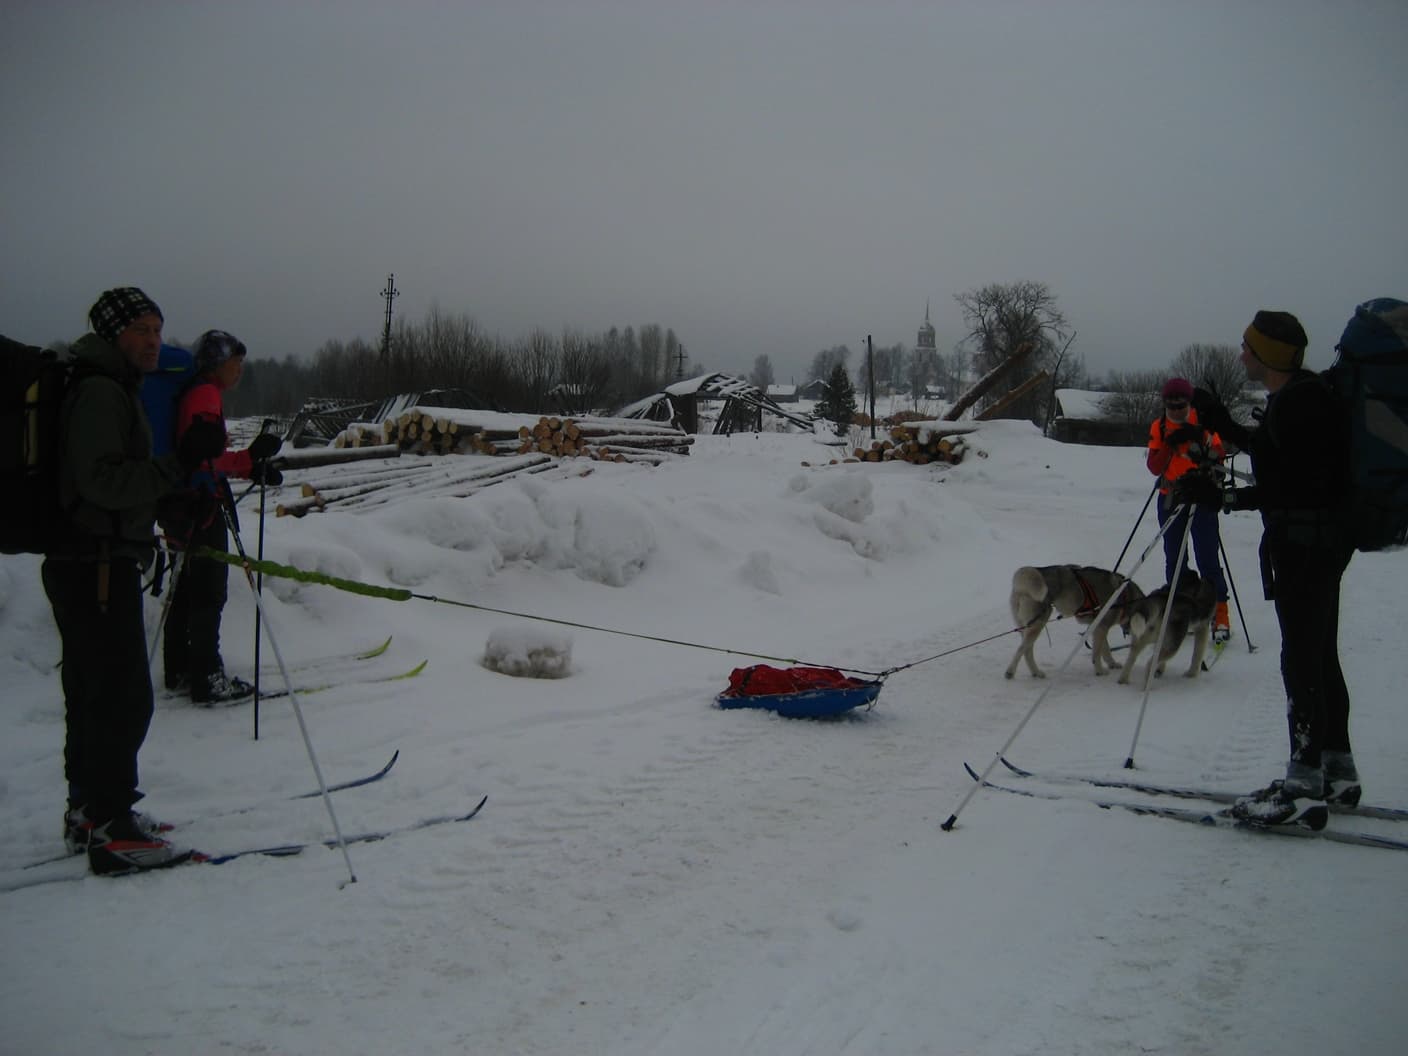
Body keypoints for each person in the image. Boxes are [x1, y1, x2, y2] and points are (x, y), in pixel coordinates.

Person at [44, 288, 223, 874]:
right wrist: (177, 466)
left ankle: (92, 812)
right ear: (114, 333)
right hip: (92, 565)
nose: (152, 341)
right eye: (141, 330)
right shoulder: (100, 390)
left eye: (157, 329)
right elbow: (101, 482)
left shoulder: (109, 384)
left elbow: (114, 486)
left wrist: (171, 509)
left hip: (95, 558)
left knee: (96, 694)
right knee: (120, 697)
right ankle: (113, 828)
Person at [1175, 309, 1355, 831]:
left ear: (1269, 355)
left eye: (1248, 349)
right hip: (1318, 541)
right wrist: (1223, 424)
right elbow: (1280, 456)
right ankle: (1336, 771)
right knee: (1318, 654)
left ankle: (1303, 789)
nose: (1241, 356)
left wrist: (1223, 495)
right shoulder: (1301, 397)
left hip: (1306, 543)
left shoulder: (1300, 404)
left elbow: (1293, 486)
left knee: (1302, 659)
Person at [162, 329, 281, 705]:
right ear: (217, 363)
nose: (240, 370)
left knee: (186, 590)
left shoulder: (196, 392)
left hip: (182, 504)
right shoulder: (205, 395)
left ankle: (180, 668)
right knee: (208, 592)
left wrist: (250, 468)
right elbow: (202, 457)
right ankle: (207, 677)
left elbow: (202, 456)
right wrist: (249, 458)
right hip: (200, 508)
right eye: (236, 362)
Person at [1145, 377, 1231, 642]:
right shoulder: (1159, 427)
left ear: (1189, 403)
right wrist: (1171, 444)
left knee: (1207, 556)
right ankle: (1179, 611)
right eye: (1170, 406)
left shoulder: (1204, 423)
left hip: (1202, 498)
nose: (1176, 411)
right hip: (1171, 497)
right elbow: (1154, 468)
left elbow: (1220, 458)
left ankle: (1220, 614)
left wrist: (1199, 440)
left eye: (1180, 406)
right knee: (1175, 557)